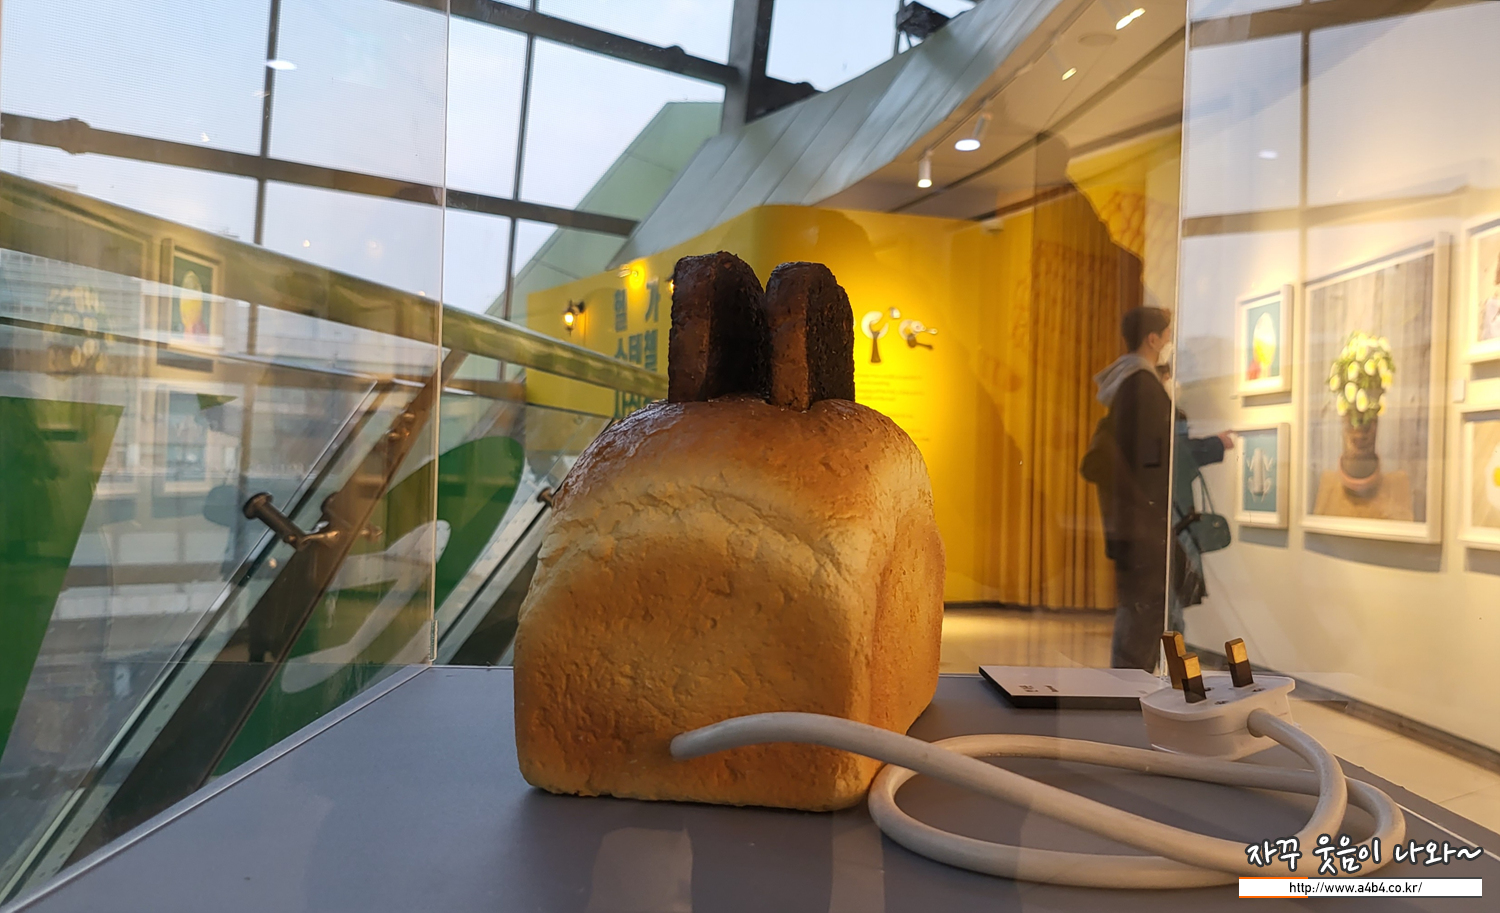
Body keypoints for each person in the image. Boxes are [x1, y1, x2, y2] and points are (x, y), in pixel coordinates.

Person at [1092, 307, 1232, 672]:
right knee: (1151, 613)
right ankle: (1140, 691)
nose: (1171, 342)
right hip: (1147, 523)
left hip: (1135, 522)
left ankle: (1140, 688)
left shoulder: (1128, 383)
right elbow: (1165, 456)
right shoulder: (1142, 386)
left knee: (1147, 610)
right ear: (1153, 339)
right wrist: (1213, 445)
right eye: (1168, 335)